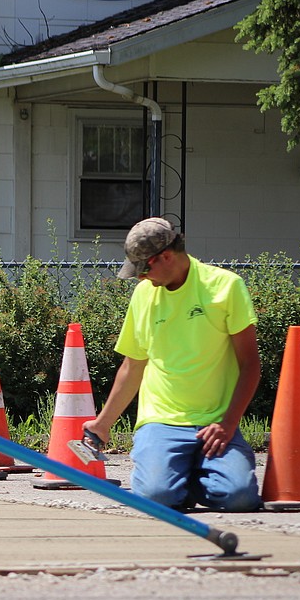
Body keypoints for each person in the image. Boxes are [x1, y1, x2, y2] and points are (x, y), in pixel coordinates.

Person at [82, 217, 262, 512]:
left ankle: (183, 476)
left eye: (144, 269)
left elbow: (251, 364)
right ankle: (174, 478)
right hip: (161, 421)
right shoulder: (143, 294)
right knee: (156, 498)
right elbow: (133, 366)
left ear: (166, 256)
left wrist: (228, 423)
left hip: (214, 422)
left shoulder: (225, 287)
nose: (141, 278)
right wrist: (103, 424)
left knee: (239, 498)